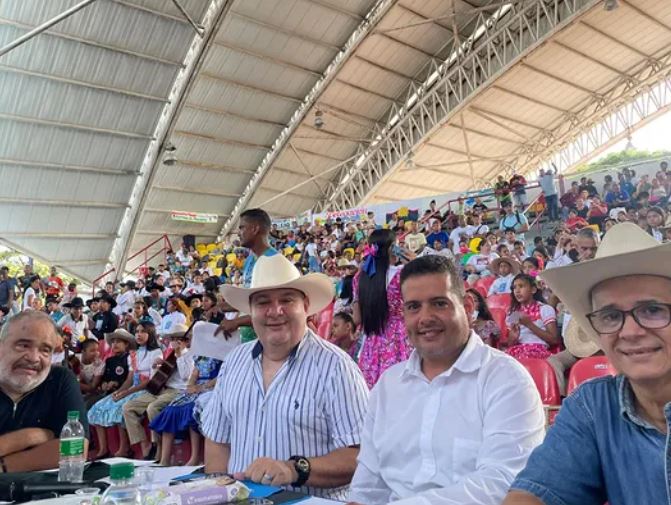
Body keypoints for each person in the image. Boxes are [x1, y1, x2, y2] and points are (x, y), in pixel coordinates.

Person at [349, 255, 544, 505]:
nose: (425, 318)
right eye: (413, 307)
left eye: (439, 303)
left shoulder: (506, 380)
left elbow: (502, 484)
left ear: (468, 307)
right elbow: (368, 482)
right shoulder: (388, 385)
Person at [503, 223, 671, 505]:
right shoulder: (593, 405)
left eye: (652, 310)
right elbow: (536, 493)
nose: (630, 332)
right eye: (610, 316)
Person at [202, 254, 369, 500]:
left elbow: (361, 456)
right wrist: (218, 495)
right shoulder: (234, 361)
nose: (275, 311)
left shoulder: (337, 367)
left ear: (305, 306)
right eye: (263, 302)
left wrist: (294, 470)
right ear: (251, 311)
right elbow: (217, 440)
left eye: (287, 300)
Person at [0, 311, 88, 472]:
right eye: (23, 345)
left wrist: (4, 466)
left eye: (45, 350)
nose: (34, 358)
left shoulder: (59, 380)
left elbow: (75, 449)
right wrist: (29, 437)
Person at [88, 325, 163, 459]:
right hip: (133, 388)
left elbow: (149, 381)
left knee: (120, 409)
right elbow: (130, 379)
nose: (139, 334)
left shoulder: (156, 352)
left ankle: (128, 448)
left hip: (145, 389)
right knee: (97, 407)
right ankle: (104, 449)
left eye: (143, 331)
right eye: (137, 331)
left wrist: (126, 393)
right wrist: (119, 392)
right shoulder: (133, 354)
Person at [122, 324, 195, 460]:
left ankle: (158, 444)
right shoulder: (170, 354)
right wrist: (158, 365)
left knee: (153, 408)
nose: (172, 341)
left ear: (184, 340)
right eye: (171, 338)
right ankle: (145, 444)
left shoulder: (189, 355)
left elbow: (186, 376)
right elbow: (162, 375)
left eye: (176, 338)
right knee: (128, 407)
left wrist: (179, 354)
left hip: (177, 391)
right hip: (162, 389)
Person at [353, 229, 410, 388]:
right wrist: (415, 264)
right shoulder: (403, 274)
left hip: (371, 343)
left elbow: (357, 318)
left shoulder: (360, 277)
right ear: (392, 248)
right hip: (399, 340)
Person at [216, 208, 278, 343]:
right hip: (249, 340)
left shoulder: (273, 261)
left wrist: (237, 322)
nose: (238, 233)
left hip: (268, 342)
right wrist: (223, 307)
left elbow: (271, 309)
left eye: (242, 228)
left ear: (255, 229)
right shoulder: (250, 259)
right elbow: (251, 301)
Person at [150, 354, 223, 466]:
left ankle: (194, 457)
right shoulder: (201, 356)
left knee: (191, 410)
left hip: (213, 389)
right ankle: (165, 459)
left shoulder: (222, 355)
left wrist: (203, 387)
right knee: (170, 409)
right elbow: (194, 374)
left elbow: (221, 376)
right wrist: (190, 386)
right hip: (196, 388)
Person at [505, 274, 558, 360]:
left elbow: (554, 340)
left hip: (538, 351)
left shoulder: (545, 309)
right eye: (514, 287)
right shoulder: (514, 313)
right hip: (517, 350)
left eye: (521, 286)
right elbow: (509, 344)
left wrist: (529, 324)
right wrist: (513, 337)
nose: (517, 291)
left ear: (533, 290)